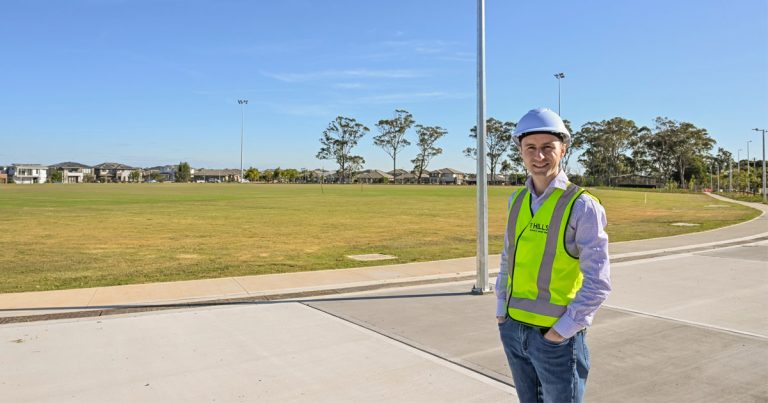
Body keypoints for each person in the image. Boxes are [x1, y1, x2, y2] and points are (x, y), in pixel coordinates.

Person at [496, 108, 611, 403]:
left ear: (563, 149)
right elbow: (508, 258)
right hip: (513, 329)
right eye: (530, 148)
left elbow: (598, 281)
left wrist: (562, 332)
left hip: (555, 337)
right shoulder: (517, 199)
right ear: (520, 151)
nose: (539, 156)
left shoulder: (582, 205)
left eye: (548, 147)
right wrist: (501, 312)